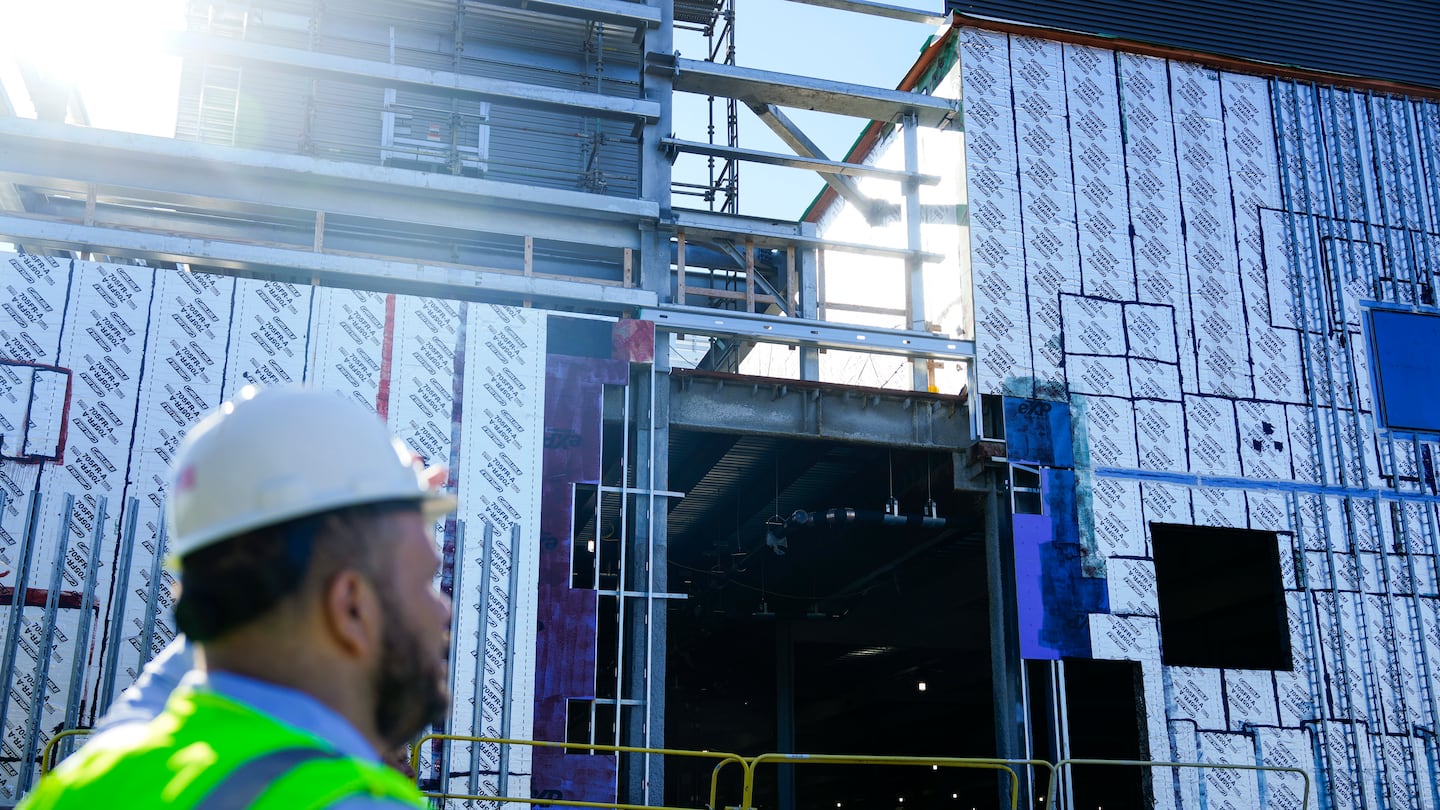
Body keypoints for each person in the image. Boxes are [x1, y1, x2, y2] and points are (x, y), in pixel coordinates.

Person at [22, 385, 457, 808]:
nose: (442, 610)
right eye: (423, 581)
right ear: (350, 605)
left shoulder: (87, 782)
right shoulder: (348, 801)